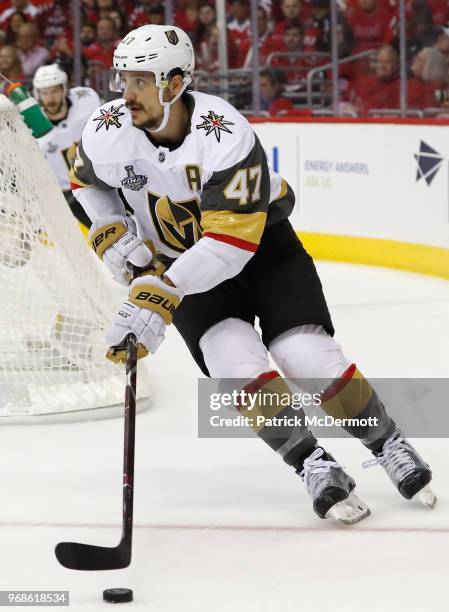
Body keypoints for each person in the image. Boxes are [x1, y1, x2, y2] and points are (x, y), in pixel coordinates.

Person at [70, 24, 435, 524]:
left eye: (140, 80)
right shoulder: (107, 128)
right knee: (232, 363)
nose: (125, 92)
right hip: (183, 269)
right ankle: (312, 463)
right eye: (123, 78)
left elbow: (228, 245)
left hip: (262, 255)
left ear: (175, 83)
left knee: (303, 355)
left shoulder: (224, 133)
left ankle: (387, 441)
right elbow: (85, 184)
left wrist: (158, 295)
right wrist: (110, 230)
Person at [32, 63, 101, 230]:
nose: (50, 98)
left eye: (54, 91)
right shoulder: (32, 123)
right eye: (45, 93)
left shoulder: (87, 99)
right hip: (70, 192)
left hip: (100, 178)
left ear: (64, 89)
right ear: (37, 94)